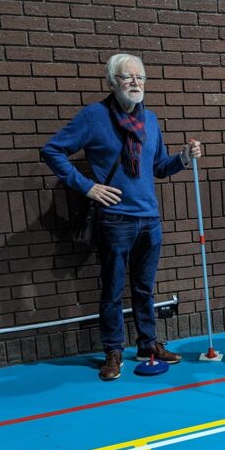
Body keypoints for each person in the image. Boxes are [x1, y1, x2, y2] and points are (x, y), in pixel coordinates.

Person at [41, 53, 202, 380]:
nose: (135, 83)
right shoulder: (94, 117)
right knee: (113, 290)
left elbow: (157, 168)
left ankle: (147, 344)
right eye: (127, 77)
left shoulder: (151, 121)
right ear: (112, 82)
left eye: (140, 78)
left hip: (149, 220)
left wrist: (182, 158)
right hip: (115, 221)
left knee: (145, 289)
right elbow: (52, 150)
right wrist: (87, 187)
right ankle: (113, 351)